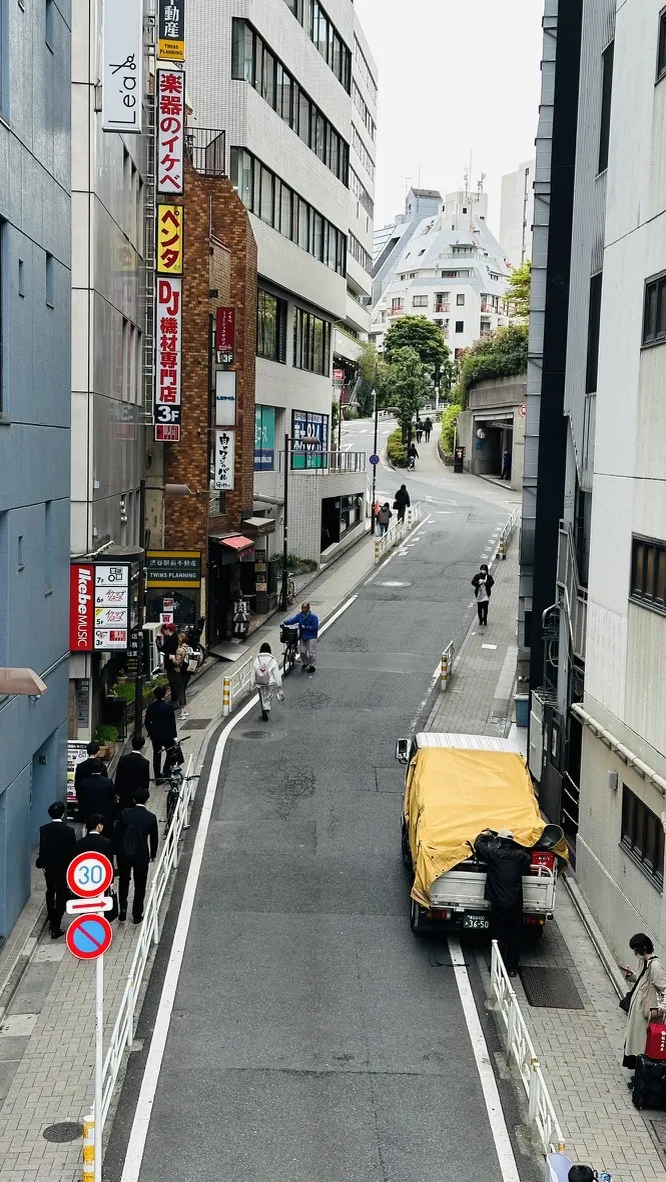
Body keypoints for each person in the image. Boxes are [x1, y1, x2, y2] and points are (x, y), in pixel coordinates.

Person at [474, 828, 532, 976]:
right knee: (514, 934)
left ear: (499, 841)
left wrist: (485, 834)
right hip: (515, 902)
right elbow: (527, 861)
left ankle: (497, 967)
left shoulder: (494, 855)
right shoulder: (521, 857)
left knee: (498, 934)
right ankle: (512, 968)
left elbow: (478, 844)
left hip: (498, 902)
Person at [622, 932, 666, 1077]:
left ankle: (641, 1077)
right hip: (638, 1011)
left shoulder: (655, 966)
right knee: (635, 1042)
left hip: (645, 1013)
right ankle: (638, 1075)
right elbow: (641, 980)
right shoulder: (644, 962)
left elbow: (664, 987)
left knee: (641, 1044)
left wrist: (662, 1008)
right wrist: (631, 975)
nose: (635, 953)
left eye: (636, 949)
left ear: (644, 948)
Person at [115, 787, 159, 924]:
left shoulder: (124, 813)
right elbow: (154, 838)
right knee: (140, 884)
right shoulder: (151, 817)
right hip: (141, 854)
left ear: (133, 799)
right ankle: (137, 914)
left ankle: (122, 908)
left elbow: (117, 834)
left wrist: (117, 851)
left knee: (123, 880)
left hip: (124, 853)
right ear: (147, 800)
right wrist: (153, 854)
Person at [36, 801, 77, 939]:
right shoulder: (69, 831)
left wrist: (41, 863)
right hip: (64, 868)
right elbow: (73, 852)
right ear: (63, 813)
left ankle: (51, 916)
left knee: (50, 890)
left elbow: (43, 849)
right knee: (61, 894)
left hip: (50, 868)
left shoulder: (44, 829)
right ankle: (56, 926)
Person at [144, 684, 178, 782]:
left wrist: (150, 732)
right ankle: (166, 772)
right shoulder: (168, 706)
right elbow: (172, 722)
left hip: (156, 736)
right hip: (168, 735)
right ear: (164, 694)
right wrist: (174, 735)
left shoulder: (151, 707)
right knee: (170, 753)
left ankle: (158, 777)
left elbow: (146, 722)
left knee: (157, 755)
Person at [77, 758, 116, 834]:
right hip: (105, 815)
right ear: (102, 769)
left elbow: (81, 800)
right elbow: (112, 799)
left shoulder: (83, 783)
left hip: (89, 815)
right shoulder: (108, 782)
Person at [115, 734, 151, 811]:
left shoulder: (123, 759)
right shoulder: (145, 762)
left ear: (132, 744)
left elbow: (118, 776)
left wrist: (117, 792)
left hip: (124, 793)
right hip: (137, 796)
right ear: (142, 746)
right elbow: (145, 783)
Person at [283, 601, 319, 675]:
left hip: (311, 636)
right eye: (302, 608)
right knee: (302, 651)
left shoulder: (313, 617)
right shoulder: (299, 615)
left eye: (305, 608)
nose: (303, 610)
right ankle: (305, 662)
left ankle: (312, 665)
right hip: (303, 636)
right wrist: (285, 622)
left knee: (311, 652)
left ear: (308, 608)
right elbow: (293, 620)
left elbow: (315, 628)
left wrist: (305, 627)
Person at [253, 642, 283, 721]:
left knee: (262, 696)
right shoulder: (272, 660)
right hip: (270, 682)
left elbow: (254, 671)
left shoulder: (257, 660)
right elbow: (276, 673)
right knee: (268, 696)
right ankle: (267, 707)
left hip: (260, 682)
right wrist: (279, 685)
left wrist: (252, 682)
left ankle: (263, 708)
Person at [160, 623, 181, 707]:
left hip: (172, 664)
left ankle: (174, 701)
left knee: (173, 683)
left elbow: (164, 649)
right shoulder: (175, 638)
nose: (163, 633)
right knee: (174, 683)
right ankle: (176, 700)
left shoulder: (172, 639)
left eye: (163, 631)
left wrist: (157, 640)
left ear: (167, 630)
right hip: (173, 664)